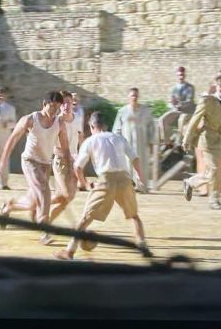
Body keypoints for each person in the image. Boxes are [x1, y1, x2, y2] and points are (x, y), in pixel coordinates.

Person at [54, 112, 150, 260]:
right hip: (125, 179)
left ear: (92, 126)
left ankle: (70, 251)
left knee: (86, 217)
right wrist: (141, 178)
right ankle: (143, 245)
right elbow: (135, 159)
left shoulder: (90, 141)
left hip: (106, 180)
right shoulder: (118, 138)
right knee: (134, 215)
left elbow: (78, 167)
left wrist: (84, 183)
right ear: (106, 126)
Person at [0, 91, 71, 245]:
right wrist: (3, 160)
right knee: (45, 192)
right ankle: (45, 232)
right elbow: (13, 138)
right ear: (44, 105)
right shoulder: (30, 119)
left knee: (33, 203)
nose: (54, 111)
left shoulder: (59, 123)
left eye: (57, 108)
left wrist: (70, 169)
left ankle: (8, 208)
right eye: (51, 107)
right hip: (30, 161)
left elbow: (65, 148)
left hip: (45, 164)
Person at [182, 75, 221, 210]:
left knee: (212, 171)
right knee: (213, 169)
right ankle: (214, 200)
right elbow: (195, 120)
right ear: (216, 86)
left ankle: (190, 182)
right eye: (220, 86)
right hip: (208, 138)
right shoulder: (206, 101)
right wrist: (187, 138)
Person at [46, 91, 85, 238]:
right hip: (60, 161)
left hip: (74, 162)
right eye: (63, 103)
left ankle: (40, 206)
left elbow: (80, 138)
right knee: (67, 195)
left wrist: (82, 158)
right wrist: (64, 155)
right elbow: (51, 145)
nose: (66, 105)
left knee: (66, 197)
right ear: (59, 105)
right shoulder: (55, 121)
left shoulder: (78, 118)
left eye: (69, 102)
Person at [113, 87, 155, 192]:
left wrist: (151, 142)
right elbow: (117, 129)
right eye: (132, 95)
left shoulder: (145, 111)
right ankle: (128, 186)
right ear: (128, 97)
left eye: (136, 95)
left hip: (142, 142)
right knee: (127, 164)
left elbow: (151, 126)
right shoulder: (122, 111)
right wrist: (117, 143)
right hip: (127, 142)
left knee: (142, 163)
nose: (134, 97)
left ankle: (141, 186)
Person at [158, 66, 195, 149]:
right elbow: (170, 102)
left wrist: (179, 104)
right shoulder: (174, 88)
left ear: (185, 75)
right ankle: (167, 143)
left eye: (182, 75)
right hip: (176, 110)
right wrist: (172, 105)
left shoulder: (190, 88)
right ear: (177, 76)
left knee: (181, 120)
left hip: (187, 111)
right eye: (179, 75)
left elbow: (189, 101)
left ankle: (179, 143)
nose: (181, 77)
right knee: (162, 120)